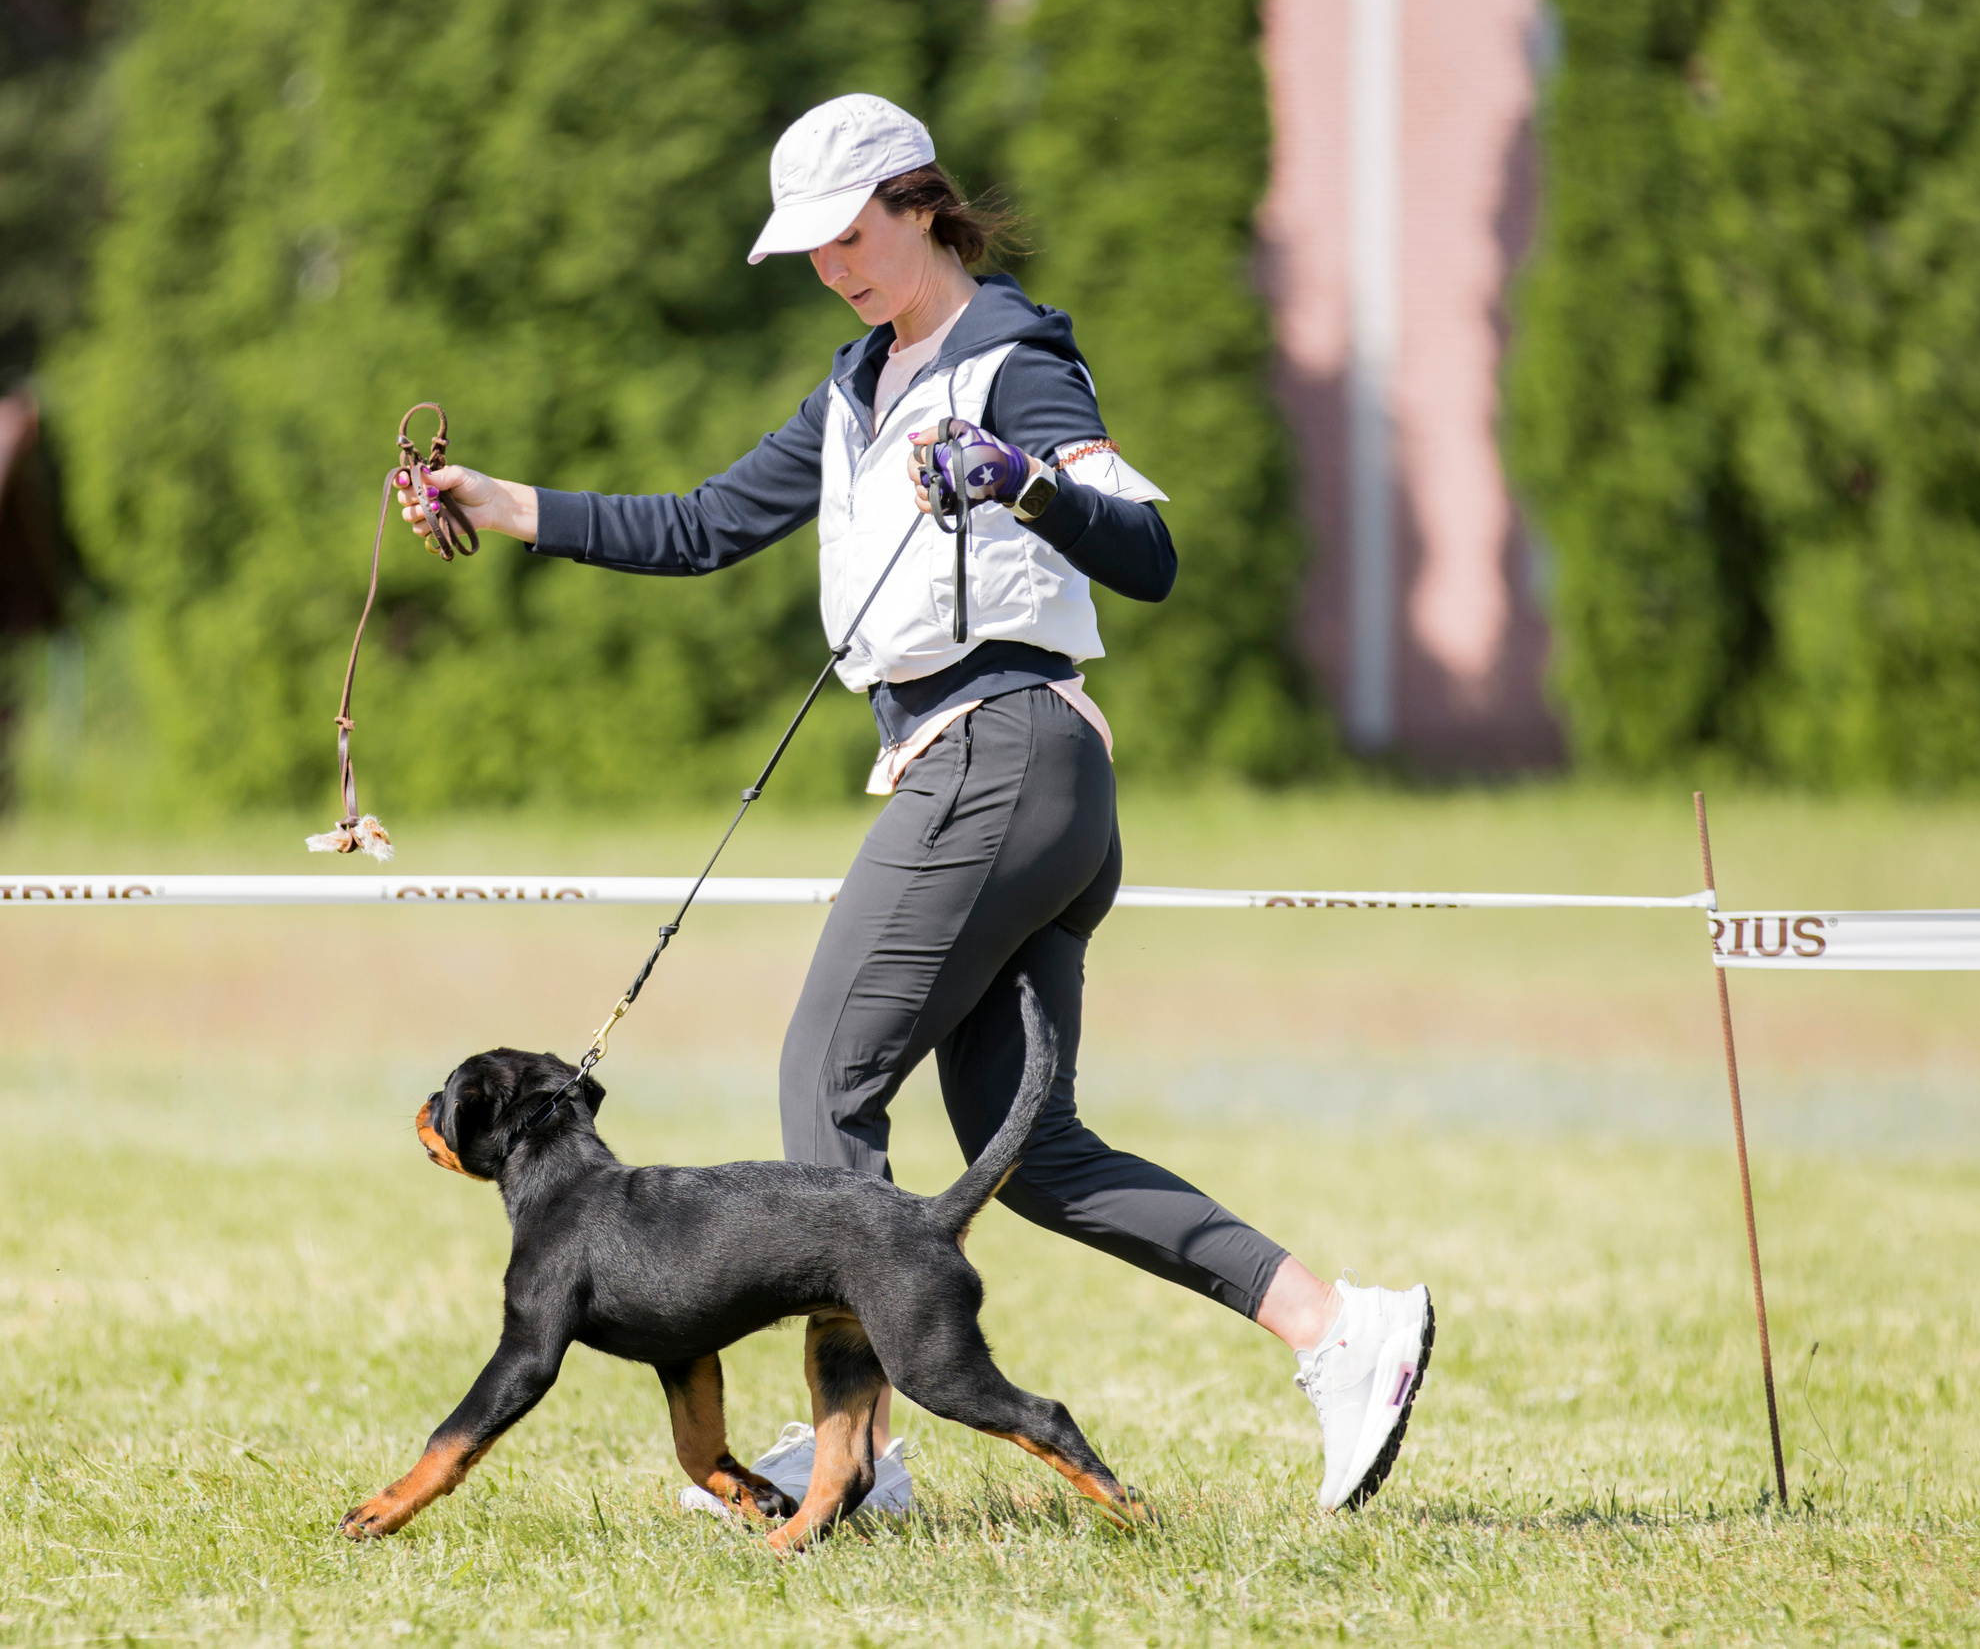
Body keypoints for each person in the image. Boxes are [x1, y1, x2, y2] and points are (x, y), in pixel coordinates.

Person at [397, 94, 1432, 1516]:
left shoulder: (1015, 359)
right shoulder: (855, 389)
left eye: (847, 236)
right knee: (1040, 1152)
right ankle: (1339, 1327)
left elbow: (1149, 555)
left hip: (1002, 754)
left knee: (825, 1077)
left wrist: (1020, 483)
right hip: (1021, 781)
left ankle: (857, 1462)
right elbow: (699, 527)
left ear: (918, 202)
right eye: (809, 250)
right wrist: (499, 501)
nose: (832, 267)